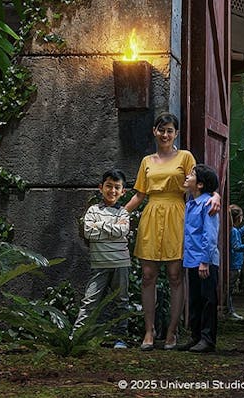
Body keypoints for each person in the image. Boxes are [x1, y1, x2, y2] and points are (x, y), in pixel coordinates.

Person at [127, 113, 196, 351]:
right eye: (161, 130)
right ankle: (149, 330)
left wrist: (215, 197)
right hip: (152, 213)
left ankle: (172, 331)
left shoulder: (185, 157)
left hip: (177, 212)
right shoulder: (147, 161)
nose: (165, 135)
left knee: (175, 275)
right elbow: (139, 194)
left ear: (176, 133)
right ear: (154, 132)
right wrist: (119, 214)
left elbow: (197, 186)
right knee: (148, 275)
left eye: (170, 130)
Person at [74, 169, 136, 348]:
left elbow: (122, 231)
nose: (113, 191)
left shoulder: (123, 213)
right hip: (99, 264)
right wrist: (111, 228)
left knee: (121, 301)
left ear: (123, 191)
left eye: (117, 187)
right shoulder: (93, 210)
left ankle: (120, 339)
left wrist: (99, 226)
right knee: (89, 301)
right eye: (109, 186)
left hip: (121, 264)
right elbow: (88, 232)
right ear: (101, 188)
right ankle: (77, 337)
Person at [181, 163, 221, 352]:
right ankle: (196, 336)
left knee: (208, 300)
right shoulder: (190, 203)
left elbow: (210, 235)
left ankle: (207, 339)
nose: (187, 176)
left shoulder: (208, 204)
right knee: (195, 300)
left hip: (206, 261)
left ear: (200, 185)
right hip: (192, 259)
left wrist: (204, 260)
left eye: (192, 175)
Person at [226, 205, 244, 320]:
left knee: (228, 290)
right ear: (237, 218)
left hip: (232, 263)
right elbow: (236, 246)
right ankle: (229, 311)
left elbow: (236, 237)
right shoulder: (233, 230)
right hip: (234, 265)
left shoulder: (231, 230)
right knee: (229, 290)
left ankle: (230, 311)